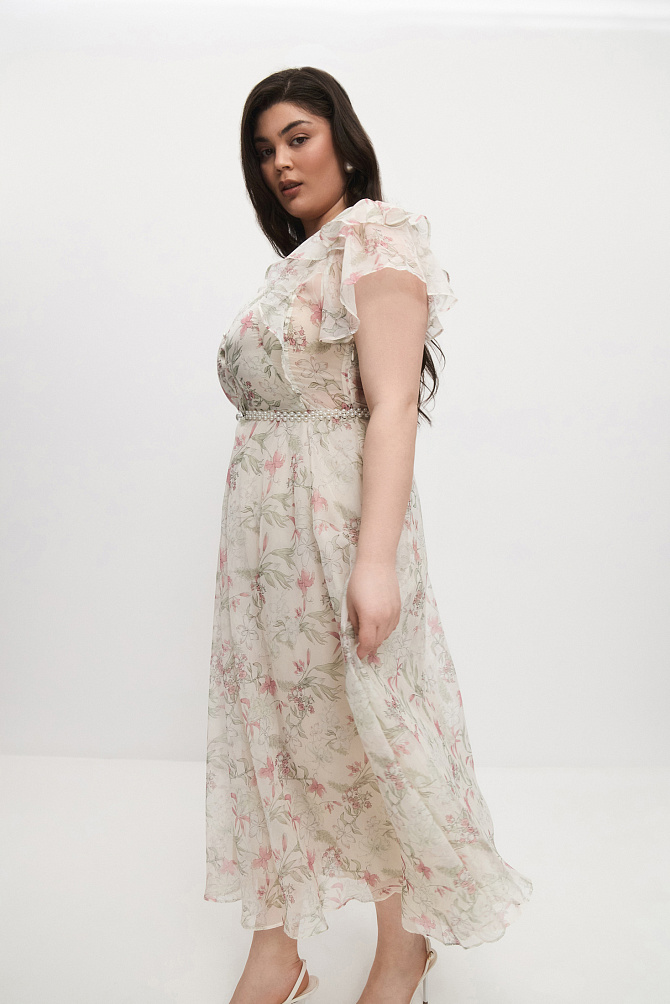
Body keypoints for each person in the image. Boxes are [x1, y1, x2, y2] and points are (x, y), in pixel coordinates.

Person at [205, 66, 533, 1004]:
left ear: (344, 145)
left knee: (371, 732)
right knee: (276, 731)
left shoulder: (376, 238)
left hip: (338, 528)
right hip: (263, 553)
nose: (279, 162)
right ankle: (278, 950)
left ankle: (405, 946)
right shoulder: (298, 263)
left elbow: (391, 406)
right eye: (264, 150)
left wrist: (375, 562)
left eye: (297, 137)